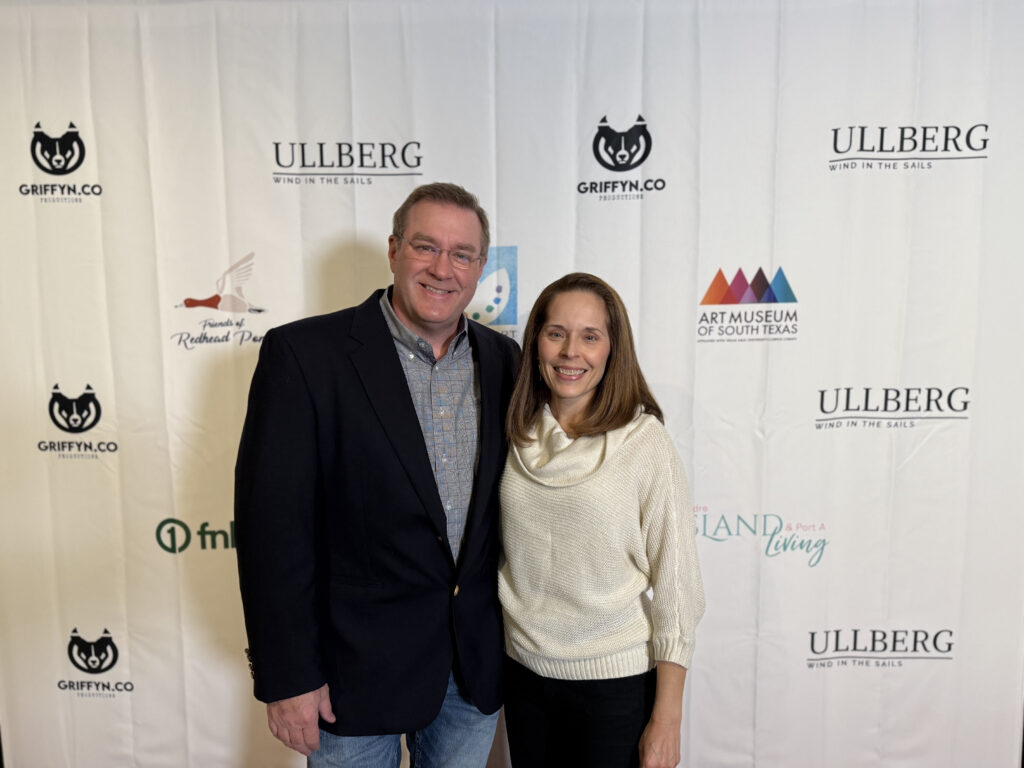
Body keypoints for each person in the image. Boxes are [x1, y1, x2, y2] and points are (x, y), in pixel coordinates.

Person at [234, 182, 520, 767]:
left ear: (481, 267)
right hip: (348, 679)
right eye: (425, 247)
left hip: (471, 674)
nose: (443, 268)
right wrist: (288, 676)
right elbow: (272, 532)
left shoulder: (505, 361)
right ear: (393, 250)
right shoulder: (304, 355)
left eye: (462, 253)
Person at [498, 272, 705, 768]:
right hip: (523, 679)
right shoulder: (513, 432)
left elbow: (678, 587)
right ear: (535, 343)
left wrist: (667, 718)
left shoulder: (643, 443)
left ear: (613, 349)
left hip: (613, 689)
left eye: (590, 336)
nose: (571, 352)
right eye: (556, 333)